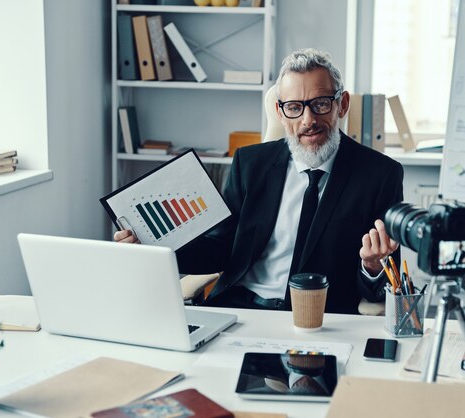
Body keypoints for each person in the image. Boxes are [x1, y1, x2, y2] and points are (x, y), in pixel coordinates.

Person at [115, 48, 404, 314]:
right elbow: (220, 249)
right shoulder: (250, 164)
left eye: (320, 104)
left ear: (342, 104)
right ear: (280, 112)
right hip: (240, 307)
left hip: (318, 319)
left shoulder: (380, 175)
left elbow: (381, 286)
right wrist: (155, 246)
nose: (308, 120)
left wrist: (372, 265)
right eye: (294, 107)